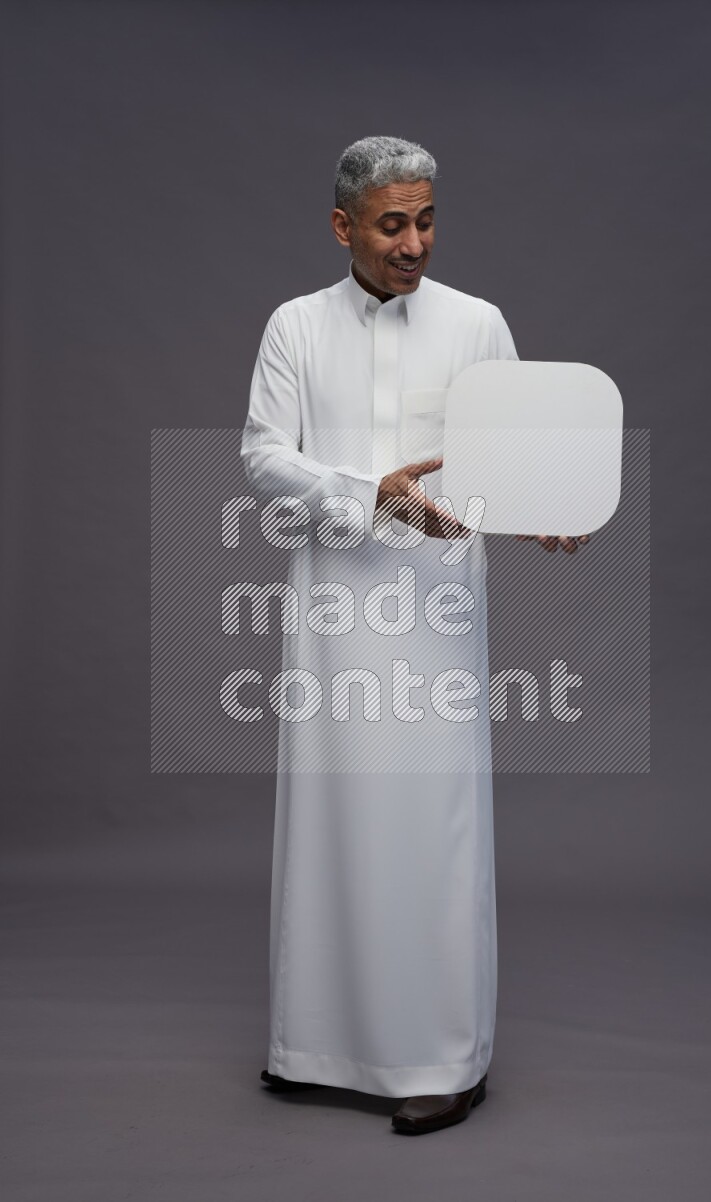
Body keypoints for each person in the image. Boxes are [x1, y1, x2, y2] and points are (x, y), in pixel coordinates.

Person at [240, 135, 588, 1136]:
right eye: (392, 223)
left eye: (426, 219)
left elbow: (516, 456)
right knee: (330, 820)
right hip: (333, 608)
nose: (414, 243)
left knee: (432, 835)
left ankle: (443, 1057)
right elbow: (263, 457)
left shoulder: (477, 324)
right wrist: (368, 494)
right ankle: (311, 1046)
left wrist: (544, 504)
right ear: (343, 225)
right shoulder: (295, 328)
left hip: (435, 614)